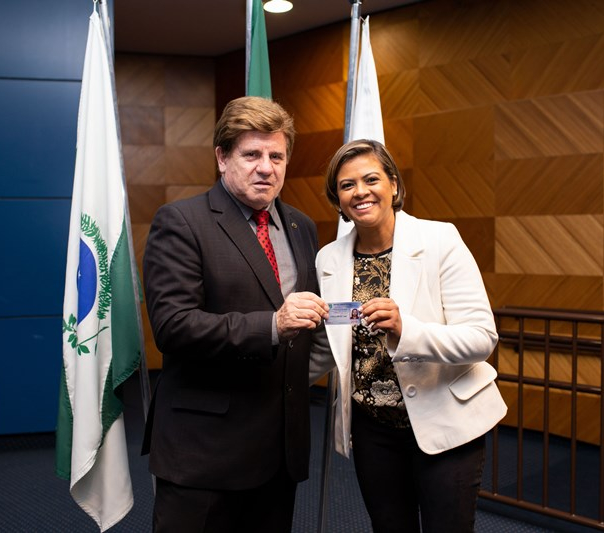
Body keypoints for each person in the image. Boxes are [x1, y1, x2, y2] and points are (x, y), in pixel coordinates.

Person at [142, 96, 329, 533]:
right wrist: (272, 325)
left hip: (279, 451)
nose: (266, 168)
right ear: (222, 158)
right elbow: (173, 326)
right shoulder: (182, 222)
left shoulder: (302, 226)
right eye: (251, 155)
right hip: (205, 452)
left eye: (276, 156)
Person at [309, 139, 507, 533]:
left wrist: (405, 330)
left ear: (394, 185)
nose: (360, 191)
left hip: (445, 422)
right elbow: (332, 346)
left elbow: (481, 337)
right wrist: (275, 379)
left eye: (371, 179)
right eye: (347, 185)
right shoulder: (328, 259)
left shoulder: (440, 240)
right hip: (372, 430)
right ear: (338, 200)